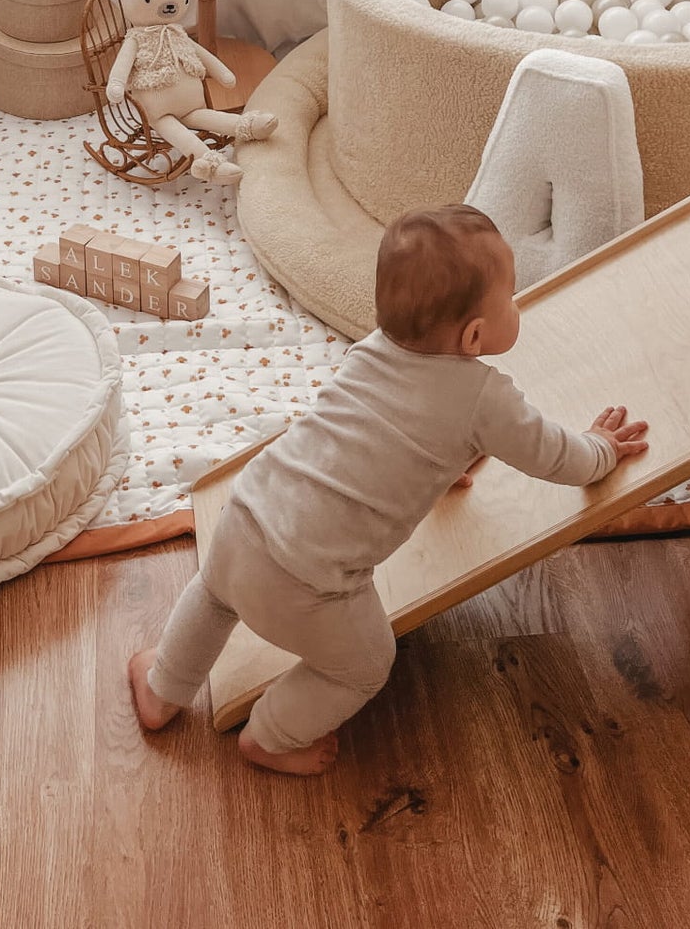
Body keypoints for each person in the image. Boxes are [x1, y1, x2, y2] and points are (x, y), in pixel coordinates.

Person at [127, 202, 649, 774]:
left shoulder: (371, 349)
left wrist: (444, 467)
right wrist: (601, 447)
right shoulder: (486, 399)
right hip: (307, 583)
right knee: (366, 664)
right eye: (513, 296)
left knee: (214, 593)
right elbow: (556, 457)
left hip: (245, 515)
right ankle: (272, 736)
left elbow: (382, 434)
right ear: (475, 335)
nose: (517, 303)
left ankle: (163, 686)